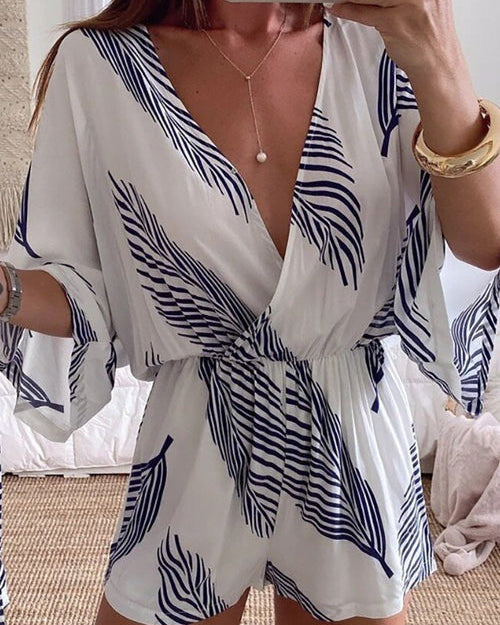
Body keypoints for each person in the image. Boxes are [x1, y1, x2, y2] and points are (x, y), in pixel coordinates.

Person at [1, 0, 499, 623]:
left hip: (349, 438)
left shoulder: (384, 42)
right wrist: (5, 290)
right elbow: (82, 293)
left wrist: (437, 56)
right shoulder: (100, 66)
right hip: (197, 434)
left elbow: (485, 243)